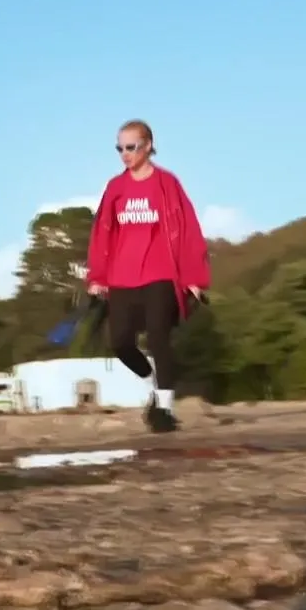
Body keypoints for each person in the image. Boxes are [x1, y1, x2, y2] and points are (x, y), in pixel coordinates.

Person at [85, 119, 210, 433]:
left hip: (161, 273)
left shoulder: (167, 184)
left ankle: (164, 411)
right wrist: (97, 277)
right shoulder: (115, 188)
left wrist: (194, 278)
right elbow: (102, 233)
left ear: (149, 146)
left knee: (158, 336)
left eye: (131, 147)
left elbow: (189, 229)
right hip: (122, 276)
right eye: (119, 148)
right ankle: (152, 384)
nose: (124, 154)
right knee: (120, 342)